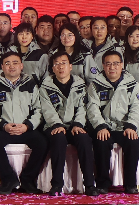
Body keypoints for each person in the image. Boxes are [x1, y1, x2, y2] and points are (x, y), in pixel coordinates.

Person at [0, 51, 48, 195]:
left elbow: (38, 110)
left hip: (25, 128)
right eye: (7, 63)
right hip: (5, 129)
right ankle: (9, 179)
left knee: (42, 142)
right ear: (2, 67)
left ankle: (28, 179)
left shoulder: (32, 85)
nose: (11, 66)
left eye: (15, 63)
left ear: (21, 66)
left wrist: (27, 126)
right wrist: (4, 126)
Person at [38, 52, 97, 196]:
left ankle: (90, 184)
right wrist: (56, 124)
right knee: (58, 138)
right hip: (53, 126)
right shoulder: (45, 86)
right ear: (52, 68)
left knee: (84, 139)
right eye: (57, 64)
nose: (60, 67)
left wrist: (78, 124)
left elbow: (83, 107)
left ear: (70, 66)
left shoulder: (80, 85)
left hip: (75, 125)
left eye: (63, 63)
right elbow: (47, 110)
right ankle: (57, 185)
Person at [87, 50, 139, 194]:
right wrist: (100, 126)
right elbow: (92, 108)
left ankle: (130, 184)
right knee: (101, 141)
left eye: (115, 63)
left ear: (122, 65)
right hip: (105, 126)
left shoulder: (132, 83)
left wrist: (131, 125)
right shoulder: (95, 84)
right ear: (103, 65)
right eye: (108, 64)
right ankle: (103, 183)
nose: (112, 67)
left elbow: (137, 107)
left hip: (125, 126)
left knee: (133, 141)